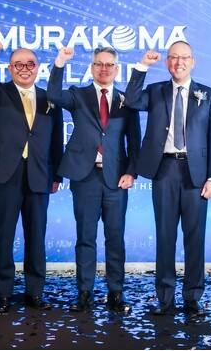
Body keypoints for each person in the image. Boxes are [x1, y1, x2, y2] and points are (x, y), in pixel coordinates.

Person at [124, 41, 211, 317]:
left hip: (196, 174)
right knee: (165, 236)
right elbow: (131, 100)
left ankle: (193, 297)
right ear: (167, 62)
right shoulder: (155, 91)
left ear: (193, 62)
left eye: (184, 57)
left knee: (195, 237)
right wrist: (142, 66)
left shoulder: (208, 94)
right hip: (164, 170)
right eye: (174, 58)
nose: (179, 62)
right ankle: (165, 298)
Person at [47, 46, 141, 313]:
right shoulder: (78, 94)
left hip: (116, 179)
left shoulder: (126, 100)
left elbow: (134, 141)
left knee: (115, 238)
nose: (104, 68)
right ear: (91, 67)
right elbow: (53, 95)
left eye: (109, 64)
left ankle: (116, 294)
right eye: (99, 63)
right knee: (85, 238)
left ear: (117, 69)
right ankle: (84, 294)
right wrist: (60, 62)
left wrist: (131, 172)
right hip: (85, 176)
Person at [0, 41, 64, 314]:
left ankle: (34, 293)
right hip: (5, 174)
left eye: (30, 64)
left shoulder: (50, 99)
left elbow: (56, 140)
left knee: (36, 237)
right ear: (10, 68)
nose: (25, 69)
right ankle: (3, 293)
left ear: (37, 68)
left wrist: (57, 176)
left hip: (39, 175)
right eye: (18, 64)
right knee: (3, 235)